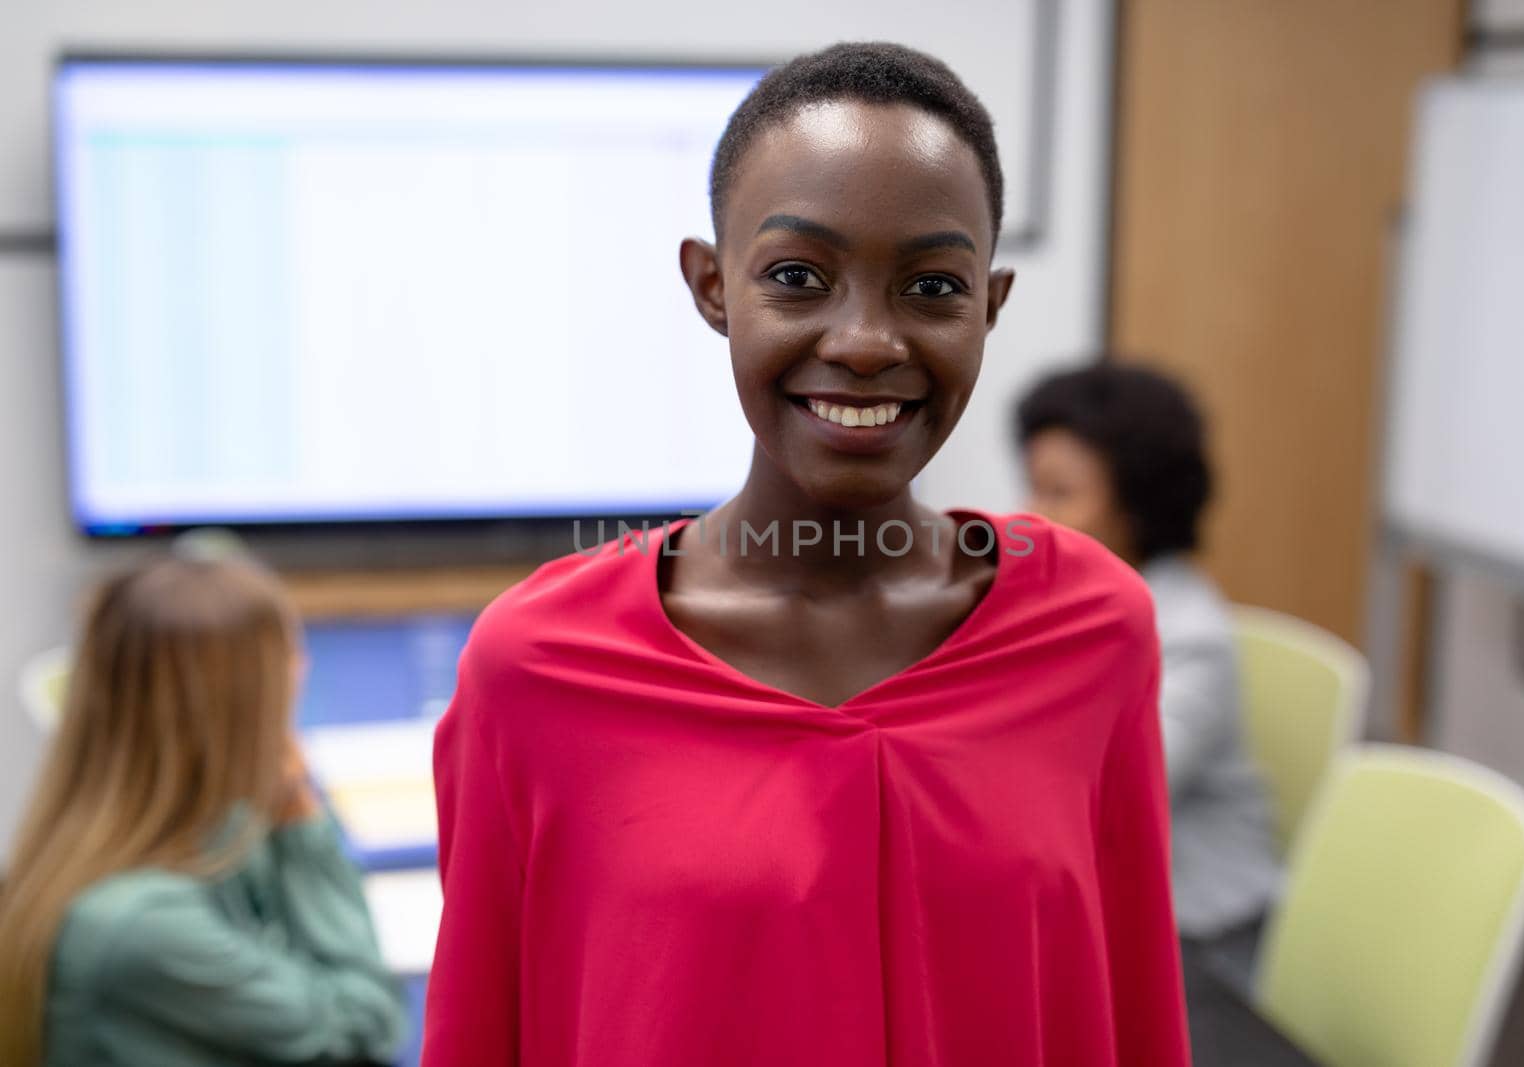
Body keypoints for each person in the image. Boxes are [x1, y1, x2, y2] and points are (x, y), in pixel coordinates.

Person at [424, 43, 1190, 1066]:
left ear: (990, 306)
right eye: (797, 275)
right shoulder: (540, 663)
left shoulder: (1090, 629)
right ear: (711, 286)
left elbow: (1131, 1012)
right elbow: (482, 1030)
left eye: (931, 285)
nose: (868, 340)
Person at [0, 556, 410, 1067]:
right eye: (288, 664)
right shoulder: (141, 925)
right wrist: (299, 810)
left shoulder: (178, 849)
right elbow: (364, 1030)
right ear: (247, 706)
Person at [1015, 359, 1281, 943]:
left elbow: (1103, 797)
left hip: (1202, 932)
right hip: (1097, 908)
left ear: (1137, 504)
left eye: (1061, 493)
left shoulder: (1189, 639)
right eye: (1033, 485)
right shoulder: (1058, 600)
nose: (1033, 516)